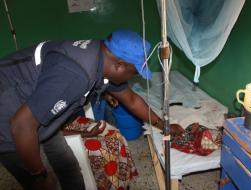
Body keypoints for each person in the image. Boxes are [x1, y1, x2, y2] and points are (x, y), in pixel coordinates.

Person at [0, 29, 182, 190]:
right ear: (119, 65)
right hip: (8, 118)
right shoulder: (74, 74)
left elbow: (132, 100)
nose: (131, 79)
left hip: (36, 108)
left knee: (67, 165)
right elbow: (21, 124)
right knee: (44, 183)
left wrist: (164, 125)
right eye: (133, 73)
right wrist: (39, 176)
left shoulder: (103, 56)